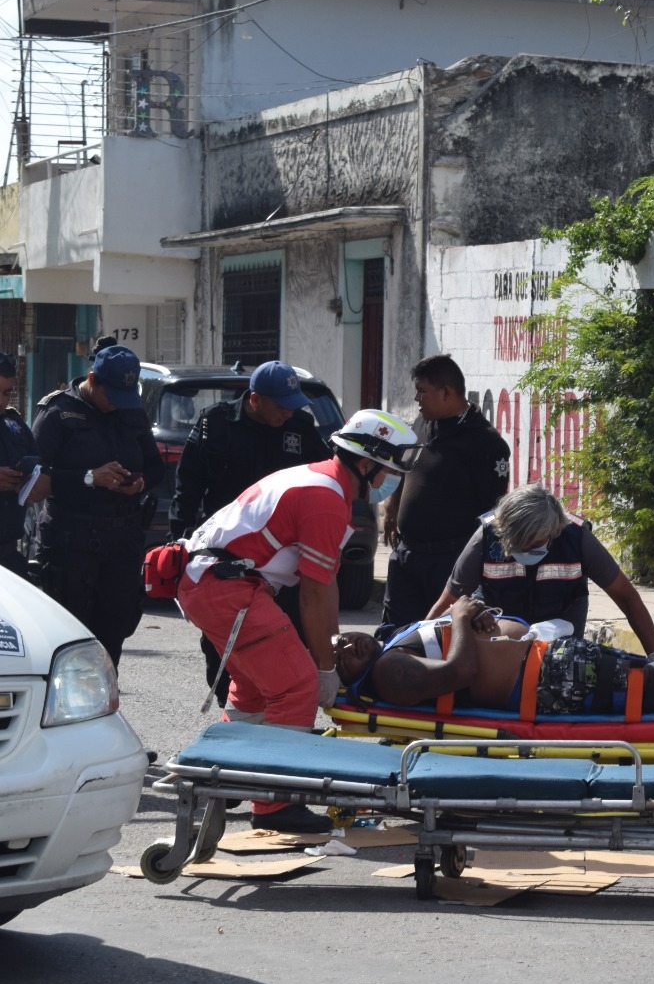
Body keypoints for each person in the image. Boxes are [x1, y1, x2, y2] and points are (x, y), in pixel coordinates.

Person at [177, 409, 420, 834]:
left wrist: (326, 654)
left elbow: (316, 588)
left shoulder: (317, 481)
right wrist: (325, 666)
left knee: (255, 688)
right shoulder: (326, 499)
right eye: (388, 472)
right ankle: (273, 806)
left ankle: (224, 772)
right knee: (297, 684)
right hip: (226, 587)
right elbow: (316, 591)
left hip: (213, 582)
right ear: (365, 464)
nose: (390, 483)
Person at [335, 595, 654, 716]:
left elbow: (468, 650)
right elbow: (461, 671)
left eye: (343, 638)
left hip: (547, 664)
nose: (347, 645)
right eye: (341, 656)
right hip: (544, 681)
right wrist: (459, 620)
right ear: (347, 677)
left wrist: (479, 622)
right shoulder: (389, 672)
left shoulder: (394, 645)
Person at [168, 360, 332, 706]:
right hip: (225, 560)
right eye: (282, 406)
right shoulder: (216, 424)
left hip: (281, 562)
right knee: (224, 651)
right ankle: (235, 715)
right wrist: (181, 540)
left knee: (285, 638)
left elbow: (326, 476)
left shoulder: (301, 429)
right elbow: (189, 484)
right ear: (255, 399)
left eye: (294, 405)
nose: (289, 413)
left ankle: (276, 716)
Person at [31, 344, 163, 668]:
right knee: (67, 640)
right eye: (112, 396)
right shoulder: (57, 413)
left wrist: (140, 482)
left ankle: (104, 712)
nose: (118, 405)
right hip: (70, 543)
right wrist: (90, 478)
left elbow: (156, 467)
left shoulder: (131, 412)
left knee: (112, 637)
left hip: (121, 541)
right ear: (93, 379)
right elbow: (31, 484)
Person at [425, 484, 654, 661]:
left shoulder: (577, 539)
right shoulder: (486, 537)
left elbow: (627, 597)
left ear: (554, 532)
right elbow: (448, 601)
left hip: (562, 623)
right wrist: (417, 646)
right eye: (519, 544)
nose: (527, 550)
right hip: (499, 627)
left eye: (534, 544)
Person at [383, 354, 510, 626]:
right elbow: (407, 467)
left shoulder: (485, 442)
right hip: (407, 555)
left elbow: (493, 515)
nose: (416, 398)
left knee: (440, 638)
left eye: (422, 391)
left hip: (449, 562)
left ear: (446, 393)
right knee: (394, 635)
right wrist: (393, 507)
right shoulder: (422, 422)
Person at [0, 353, 48, 576]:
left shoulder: (13, 423)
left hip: (9, 556)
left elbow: (42, 470)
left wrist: (29, 483)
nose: (1, 400)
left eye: (6, 393)